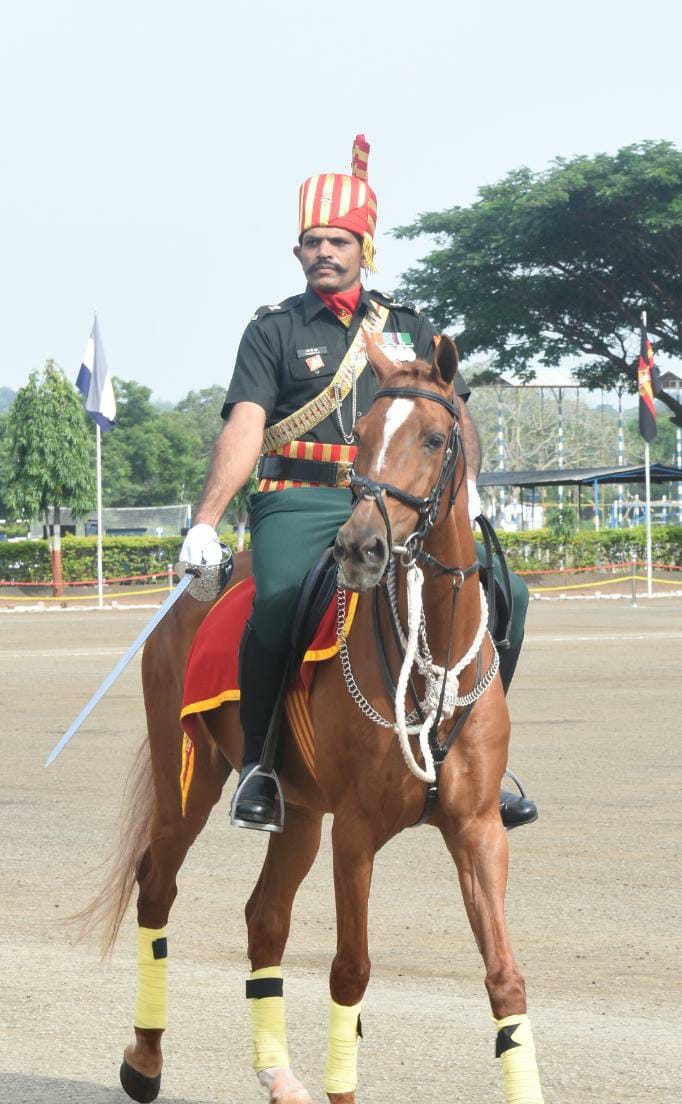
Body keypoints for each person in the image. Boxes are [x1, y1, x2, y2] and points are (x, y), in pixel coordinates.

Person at [180, 136, 536, 834]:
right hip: (301, 500)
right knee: (280, 596)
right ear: (297, 252)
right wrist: (205, 520)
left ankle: (476, 749)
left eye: (337, 240)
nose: (323, 252)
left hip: (399, 507)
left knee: (510, 594)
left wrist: (471, 495)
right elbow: (247, 428)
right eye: (311, 241)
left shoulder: (409, 327)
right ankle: (260, 767)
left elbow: (455, 415)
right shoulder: (274, 332)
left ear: (363, 247)